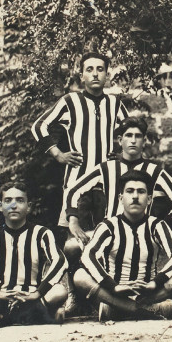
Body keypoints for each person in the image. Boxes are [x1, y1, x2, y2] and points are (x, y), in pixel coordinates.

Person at [31, 52, 129, 237]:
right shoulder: (70, 101)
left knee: (109, 238)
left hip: (107, 183)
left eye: (100, 69)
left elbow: (131, 131)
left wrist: (123, 156)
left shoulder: (114, 103)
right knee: (76, 241)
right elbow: (39, 126)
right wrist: (58, 154)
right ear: (81, 75)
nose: (95, 74)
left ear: (107, 75)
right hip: (77, 181)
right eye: (89, 69)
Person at [73, 170, 172, 321]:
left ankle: (119, 310)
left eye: (141, 192)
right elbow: (87, 256)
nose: (135, 196)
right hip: (115, 292)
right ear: (121, 198)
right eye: (130, 191)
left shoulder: (157, 225)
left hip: (149, 292)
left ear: (149, 199)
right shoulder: (108, 226)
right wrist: (114, 287)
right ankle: (144, 310)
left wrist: (155, 283)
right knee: (80, 276)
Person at [65, 116, 172, 251]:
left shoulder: (154, 170)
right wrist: (73, 221)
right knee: (71, 247)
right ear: (120, 140)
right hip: (110, 231)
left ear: (144, 142)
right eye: (128, 135)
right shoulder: (106, 168)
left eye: (138, 136)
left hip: (143, 234)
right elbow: (73, 191)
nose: (133, 140)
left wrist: (163, 226)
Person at [0, 181, 68, 330]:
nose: (13, 205)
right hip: (3, 298)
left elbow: (60, 261)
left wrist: (37, 293)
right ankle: (38, 316)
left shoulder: (41, 233)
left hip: (33, 297)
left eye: (20, 200)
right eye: (8, 200)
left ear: (29, 206)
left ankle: (1, 319)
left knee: (60, 291)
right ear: (1, 206)